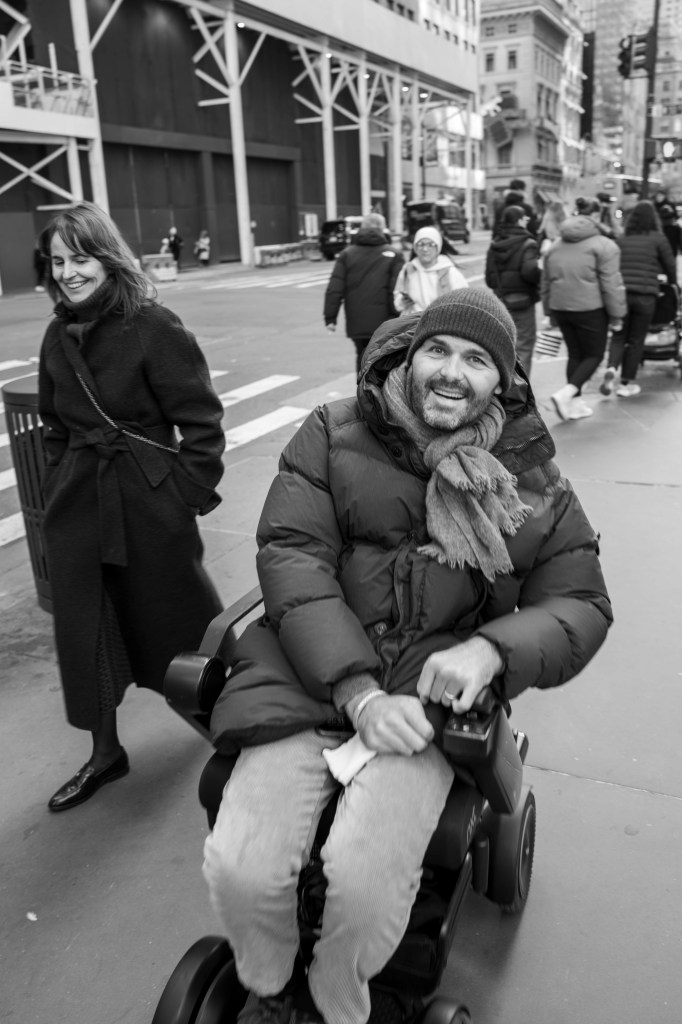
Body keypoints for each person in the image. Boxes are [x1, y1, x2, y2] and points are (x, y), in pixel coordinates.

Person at [202, 287, 613, 1024]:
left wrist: (491, 651)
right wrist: (357, 693)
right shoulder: (333, 433)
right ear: (410, 355)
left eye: (477, 360)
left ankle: (337, 1002)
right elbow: (294, 558)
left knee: (364, 886)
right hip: (308, 681)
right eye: (438, 350)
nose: (452, 372)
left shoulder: (531, 480)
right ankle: (268, 987)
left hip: (428, 709)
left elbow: (580, 601)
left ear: (503, 381)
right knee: (242, 868)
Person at [37, 201, 226, 812]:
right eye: (58, 261)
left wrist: (182, 498)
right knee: (88, 630)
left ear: (107, 258)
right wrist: (59, 484)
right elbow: (53, 426)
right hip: (79, 508)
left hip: (148, 506)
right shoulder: (56, 334)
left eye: (80, 258)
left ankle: (228, 730)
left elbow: (202, 423)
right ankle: (105, 752)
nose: (68, 272)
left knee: (177, 626)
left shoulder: (152, 325)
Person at [541, 196, 626, 421]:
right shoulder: (604, 245)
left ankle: (574, 404)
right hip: (590, 307)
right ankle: (566, 394)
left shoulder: (556, 244)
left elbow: (546, 281)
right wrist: (617, 315)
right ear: (596, 215)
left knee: (575, 354)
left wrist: (549, 311)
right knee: (594, 355)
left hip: (560, 306)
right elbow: (611, 284)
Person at [599, 200, 677, 399]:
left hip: (622, 294)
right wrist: (672, 283)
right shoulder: (658, 238)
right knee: (636, 339)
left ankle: (612, 367)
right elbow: (670, 265)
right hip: (646, 294)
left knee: (619, 335)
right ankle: (626, 384)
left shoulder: (622, 239)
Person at [323, 213, 404, 374]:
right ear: (383, 228)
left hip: (357, 319)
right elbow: (396, 290)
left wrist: (330, 317)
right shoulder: (394, 254)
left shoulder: (347, 254)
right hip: (385, 321)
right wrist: (397, 316)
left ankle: (362, 387)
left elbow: (335, 287)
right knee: (385, 359)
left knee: (362, 355)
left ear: (362, 228)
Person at [485, 205, 541, 375]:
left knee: (503, 346)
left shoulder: (495, 244)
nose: (527, 221)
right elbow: (529, 272)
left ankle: (503, 384)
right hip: (523, 302)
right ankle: (521, 388)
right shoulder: (528, 244)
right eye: (525, 218)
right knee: (524, 346)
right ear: (518, 220)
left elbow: (490, 279)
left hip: (501, 302)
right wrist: (540, 273)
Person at [393, 226, 467, 315]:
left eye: (431, 244)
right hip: (412, 322)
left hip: (439, 322)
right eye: (421, 244)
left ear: (438, 247)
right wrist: (402, 301)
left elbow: (464, 304)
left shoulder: (450, 272)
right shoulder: (408, 270)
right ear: (415, 247)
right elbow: (397, 301)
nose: (425, 249)